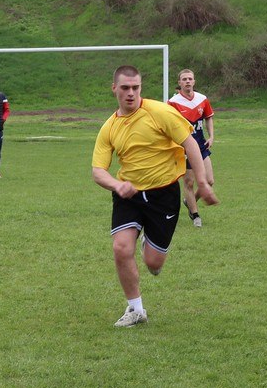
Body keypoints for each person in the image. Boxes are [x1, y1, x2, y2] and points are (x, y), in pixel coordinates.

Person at [91, 65, 219, 328]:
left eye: (135, 88)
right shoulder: (109, 127)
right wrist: (117, 185)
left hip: (164, 195)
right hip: (130, 194)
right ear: (114, 88)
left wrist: (203, 183)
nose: (130, 93)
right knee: (120, 248)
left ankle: (150, 247)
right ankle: (135, 309)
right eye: (125, 88)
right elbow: (97, 171)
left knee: (154, 264)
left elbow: (190, 142)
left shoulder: (160, 112)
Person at [167, 68, 216, 227]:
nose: (187, 81)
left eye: (190, 79)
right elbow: (167, 125)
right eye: (184, 79)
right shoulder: (173, 103)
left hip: (201, 145)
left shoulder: (202, 99)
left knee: (209, 181)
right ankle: (195, 216)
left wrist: (211, 136)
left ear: (194, 81)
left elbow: (208, 118)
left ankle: (191, 200)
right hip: (184, 147)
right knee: (189, 182)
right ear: (179, 82)